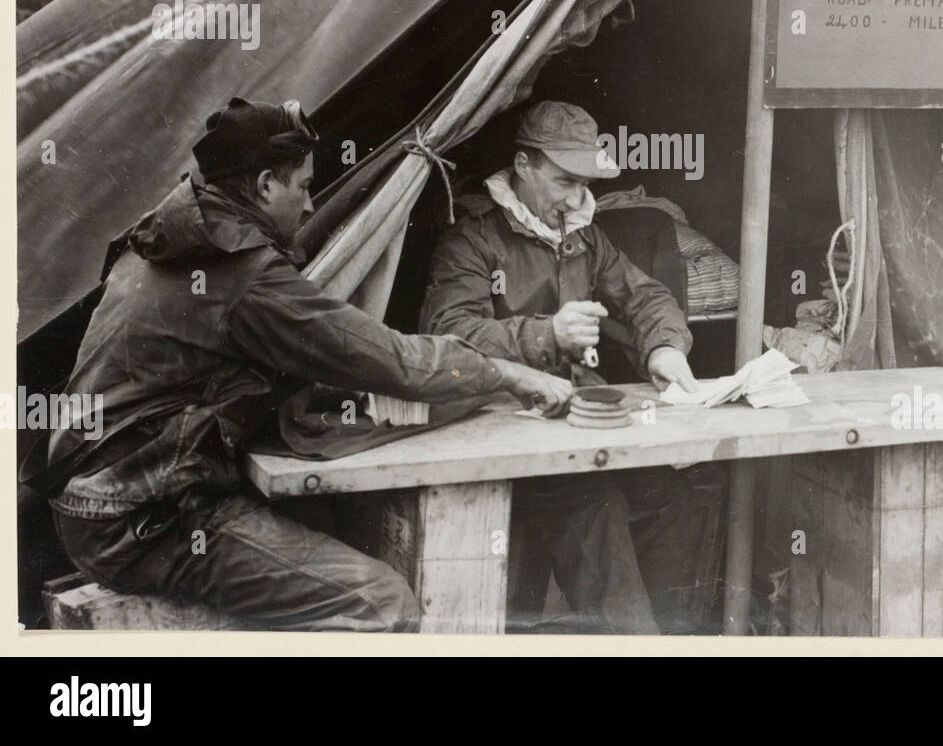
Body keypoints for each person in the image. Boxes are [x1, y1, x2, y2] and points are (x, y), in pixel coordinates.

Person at [37, 98, 571, 632]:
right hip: (144, 521)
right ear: (266, 185)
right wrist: (507, 373)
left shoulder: (171, 236)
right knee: (380, 602)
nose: (313, 204)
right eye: (304, 186)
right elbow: (386, 358)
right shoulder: (240, 272)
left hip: (102, 501)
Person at [420, 101, 726, 634]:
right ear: (523, 166)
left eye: (585, 183)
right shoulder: (473, 239)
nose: (577, 198)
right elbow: (450, 335)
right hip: (505, 436)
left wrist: (663, 348)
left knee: (692, 493)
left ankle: (668, 637)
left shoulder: (585, 236)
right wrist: (546, 334)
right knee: (595, 506)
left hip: (581, 432)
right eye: (564, 182)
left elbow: (645, 296)